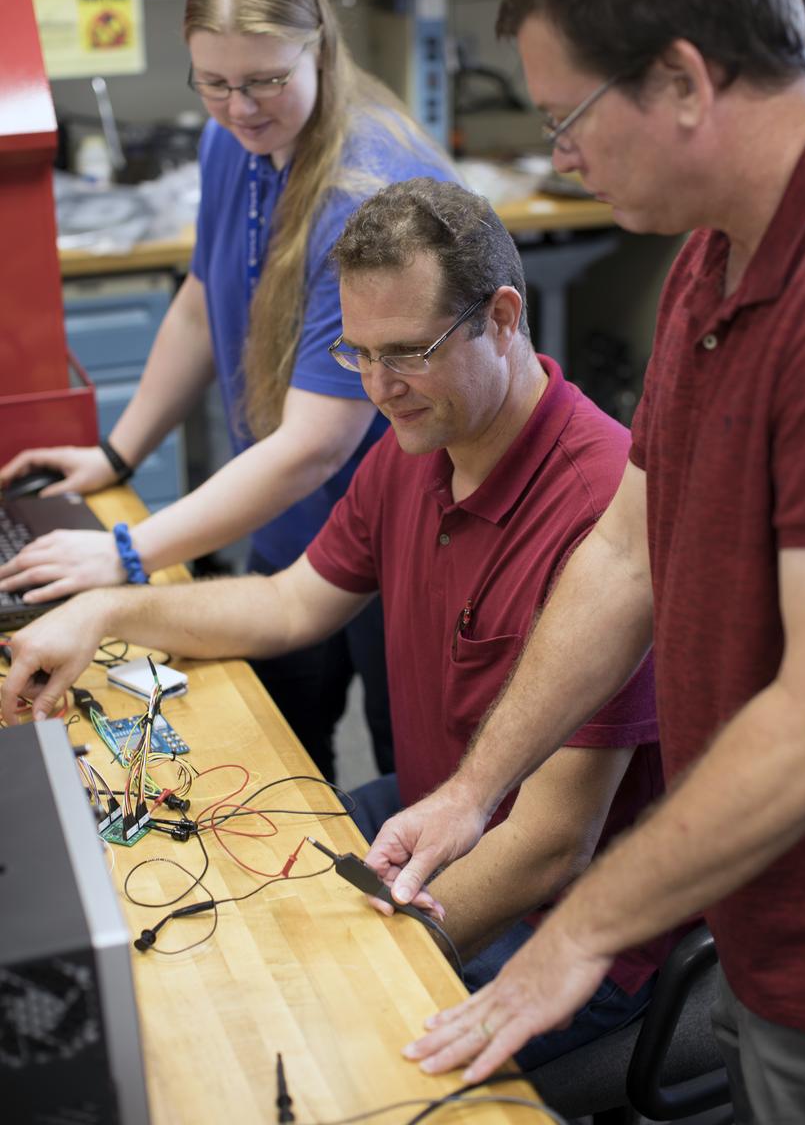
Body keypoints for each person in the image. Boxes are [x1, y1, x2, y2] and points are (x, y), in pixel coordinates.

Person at [353, 0, 805, 1124]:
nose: (560, 155)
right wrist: (476, 794)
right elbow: (629, 550)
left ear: (682, 78)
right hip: (755, 911)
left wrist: (578, 929)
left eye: (568, 116)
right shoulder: (712, 253)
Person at [2, 178, 668, 1069]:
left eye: (407, 352)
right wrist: (106, 610)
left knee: (305, 1046)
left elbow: (551, 846)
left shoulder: (600, 511)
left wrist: (363, 969)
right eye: (356, 353)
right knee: (208, 902)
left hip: (569, 918)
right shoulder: (419, 444)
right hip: (426, 817)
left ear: (503, 318)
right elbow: (290, 603)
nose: (380, 388)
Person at [0, 0, 456, 780]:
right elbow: (202, 306)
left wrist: (125, 556)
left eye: (265, 80)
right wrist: (115, 452)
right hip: (286, 517)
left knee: (412, 775)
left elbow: (316, 441)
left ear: (315, 45)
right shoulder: (237, 145)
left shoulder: (365, 195)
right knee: (277, 751)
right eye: (214, 82)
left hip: (405, 540)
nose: (240, 107)